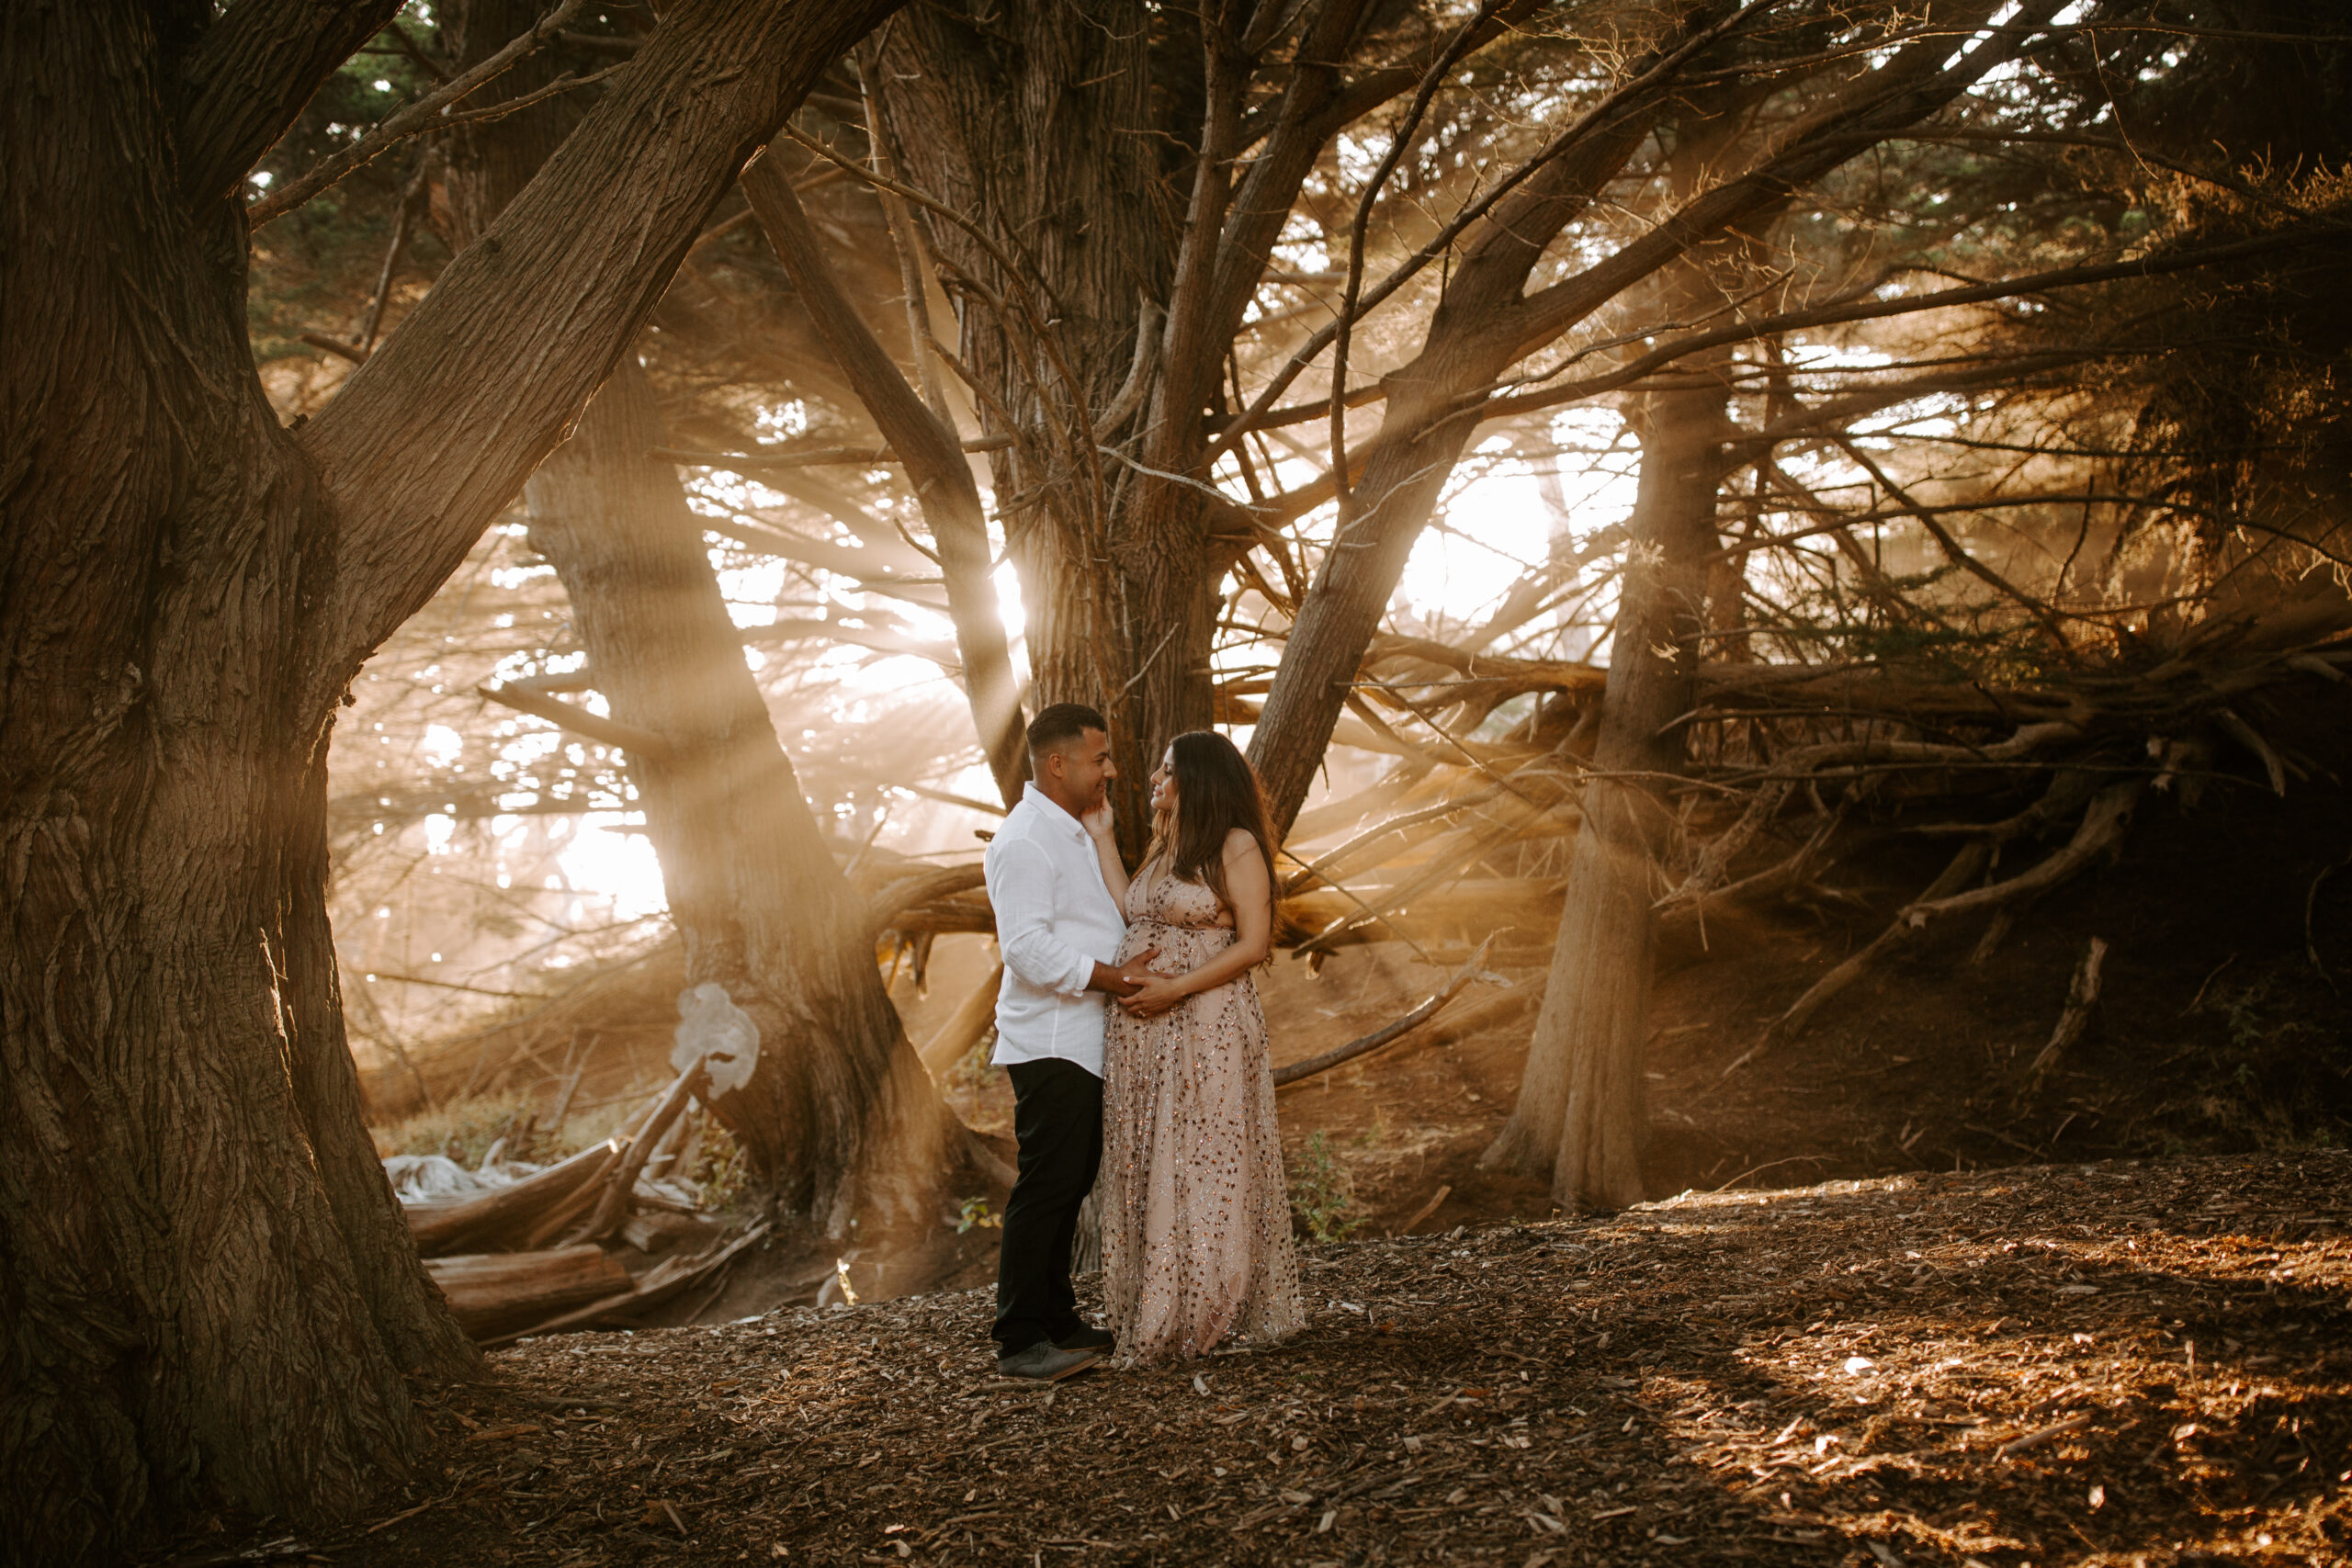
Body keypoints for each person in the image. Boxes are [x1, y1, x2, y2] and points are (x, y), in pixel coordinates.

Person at [1096, 730, 1304, 1362]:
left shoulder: (1235, 846)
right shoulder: (1167, 846)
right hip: (1146, 1034)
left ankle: (1208, 1312)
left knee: (1208, 1157)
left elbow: (1254, 943)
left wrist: (1174, 990)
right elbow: (1130, 908)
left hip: (1207, 1023)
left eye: (1166, 769)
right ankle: (1160, 1303)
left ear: (1199, 778)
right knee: (1155, 1158)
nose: (1153, 779)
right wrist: (1104, 833)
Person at [982, 703, 1161, 1382]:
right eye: (1099, 758)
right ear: (1057, 763)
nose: (1110, 770)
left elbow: (1090, 918)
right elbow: (1025, 947)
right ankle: (1021, 1336)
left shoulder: (1072, 831)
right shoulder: (1025, 838)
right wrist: (1115, 979)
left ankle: (1056, 1317)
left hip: (1081, 1039)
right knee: (1048, 1185)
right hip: (1050, 1040)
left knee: (1071, 1179)